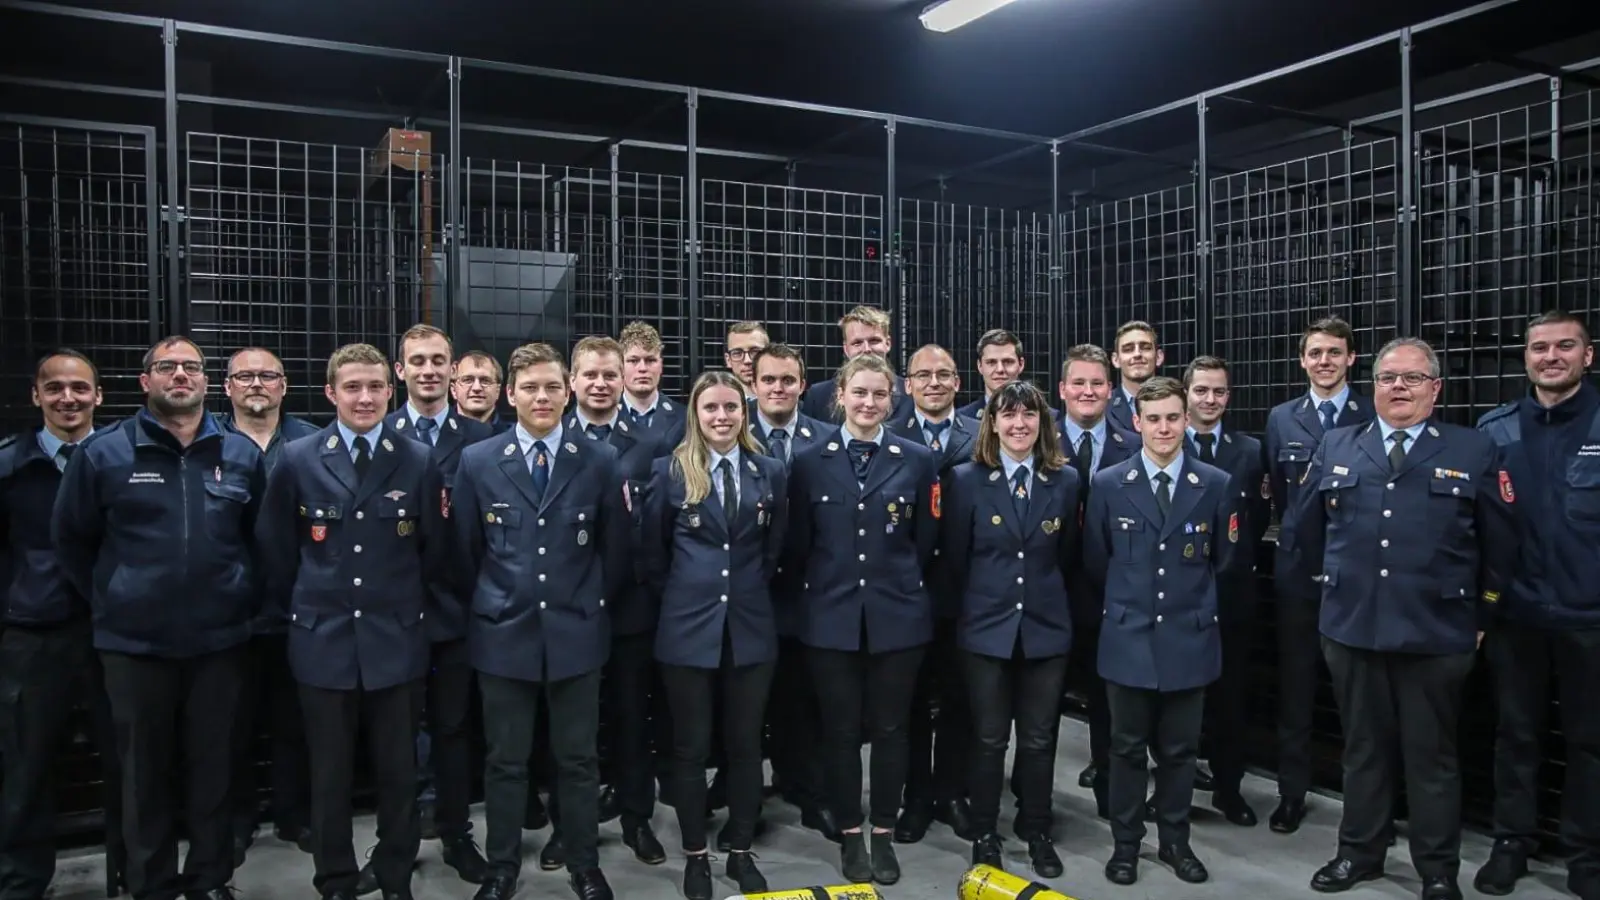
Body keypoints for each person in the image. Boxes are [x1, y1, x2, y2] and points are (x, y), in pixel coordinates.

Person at [1285, 337, 1517, 900]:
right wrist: (1331, 595)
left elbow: (1502, 542)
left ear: (1435, 389)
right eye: (1388, 377)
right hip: (1353, 627)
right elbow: (1305, 531)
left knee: (1431, 758)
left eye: (1413, 378)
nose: (1398, 388)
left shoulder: (1472, 449)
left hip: (1436, 632)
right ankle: (1358, 853)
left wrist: (1482, 613)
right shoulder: (1340, 443)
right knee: (1363, 750)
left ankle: (1437, 870)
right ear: (1374, 386)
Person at [53, 336, 265, 900]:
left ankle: (210, 881)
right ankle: (152, 886)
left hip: (220, 646)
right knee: (143, 777)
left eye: (191, 367)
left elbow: (259, 542)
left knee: (214, 773)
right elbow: (71, 541)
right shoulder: (104, 453)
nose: (180, 375)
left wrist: (238, 598)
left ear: (206, 381)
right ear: (145, 381)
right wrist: (117, 598)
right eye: (167, 367)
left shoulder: (240, 454)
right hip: (134, 650)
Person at [255, 341, 448, 900]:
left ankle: (394, 875)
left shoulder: (417, 459)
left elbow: (435, 552)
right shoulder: (298, 458)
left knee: (399, 774)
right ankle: (336, 879)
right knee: (329, 774)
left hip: (396, 640)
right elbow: (276, 551)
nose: (365, 398)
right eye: (352, 387)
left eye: (375, 387)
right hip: (324, 642)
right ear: (330, 393)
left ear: (390, 390)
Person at [451, 342, 630, 900]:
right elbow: (464, 553)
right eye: (530, 388)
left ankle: (583, 865)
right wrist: (500, 601)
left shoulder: (599, 459)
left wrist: (584, 604)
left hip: (577, 634)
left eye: (553, 386)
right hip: (504, 634)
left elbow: (615, 553)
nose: (542, 397)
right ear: (511, 394)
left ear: (568, 390)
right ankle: (502, 868)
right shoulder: (479, 461)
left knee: (578, 760)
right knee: (505, 762)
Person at [784, 353, 940, 885]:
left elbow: (925, 542)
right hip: (831, 616)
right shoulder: (808, 461)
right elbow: (799, 545)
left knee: (892, 729)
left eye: (879, 394)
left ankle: (884, 831)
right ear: (841, 396)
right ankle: (851, 831)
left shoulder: (917, 460)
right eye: (860, 392)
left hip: (898, 616)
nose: (869, 402)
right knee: (841, 730)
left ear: (892, 400)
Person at [640, 370, 788, 900]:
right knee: (690, 747)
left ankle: (741, 849)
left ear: (743, 413)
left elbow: (775, 550)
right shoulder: (669, 471)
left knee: (746, 745)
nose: (721, 417)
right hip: (687, 631)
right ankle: (696, 855)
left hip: (750, 628)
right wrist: (692, 595)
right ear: (695, 415)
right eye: (711, 408)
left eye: (731, 407)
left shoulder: (770, 471)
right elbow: (653, 556)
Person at [1084, 376, 1237, 887]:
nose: (1164, 428)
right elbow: (1097, 561)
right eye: (1153, 419)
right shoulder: (1109, 484)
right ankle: (1125, 845)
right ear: (1137, 422)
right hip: (1128, 639)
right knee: (1126, 750)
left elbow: (1225, 562)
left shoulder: (1215, 483)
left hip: (1189, 640)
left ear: (1186, 419)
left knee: (1180, 752)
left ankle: (1175, 842)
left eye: (1173, 417)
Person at [1475, 311, 1600, 900]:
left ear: (1587, 356)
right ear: (1526, 358)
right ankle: (1511, 842)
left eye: (1565, 346)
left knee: (1590, 743)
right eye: (1540, 348)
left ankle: (1587, 855)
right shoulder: (1495, 429)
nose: (1551, 357)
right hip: (1516, 616)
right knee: (1516, 736)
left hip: (1590, 619)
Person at [940, 381, 1080, 878]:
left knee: (1039, 740)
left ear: (1043, 424)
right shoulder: (965, 479)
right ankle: (985, 833)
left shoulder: (1066, 481)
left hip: (1046, 629)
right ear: (993, 423)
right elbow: (955, 558)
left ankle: (1037, 828)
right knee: (989, 738)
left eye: (1029, 415)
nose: (1019, 424)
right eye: (1009, 415)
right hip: (985, 629)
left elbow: (1068, 557)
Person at [0, 350, 124, 900]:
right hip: (34, 635)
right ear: (36, 396)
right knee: (25, 768)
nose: (68, 398)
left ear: (98, 395)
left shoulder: (121, 460)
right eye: (54, 388)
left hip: (110, 633)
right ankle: (22, 881)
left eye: (79, 388)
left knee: (127, 764)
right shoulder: (9, 465)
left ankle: (132, 873)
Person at [383, 323, 492, 886]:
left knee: (452, 729)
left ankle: (455, 833)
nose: (428, 370)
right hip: (392, 611)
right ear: (400, 370)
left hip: (456, 608)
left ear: (452, 370)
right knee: (396, 735)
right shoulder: (379, 433)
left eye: (438, 360)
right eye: (417, 360)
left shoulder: (480, 440)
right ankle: (395, 847)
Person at [1261, 316, 1375, 834]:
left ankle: (1367, 804)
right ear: (1302, 360)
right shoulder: (1282, 418)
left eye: (1334, 352)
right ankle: (1291, 793)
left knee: (1361, 699)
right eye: (1315, 353)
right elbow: (1283, 494)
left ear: (1351, 358)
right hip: (1299, 574)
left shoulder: (1372, 412)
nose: (1324, 361)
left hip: (1359, 575)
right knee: (1296, 690)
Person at [563, 336, 671, 864]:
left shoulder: (648, 443)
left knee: (632, 721)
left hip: (631, 606)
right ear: (573, 381)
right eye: (591, 374)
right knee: (572, 730)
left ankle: (636, 819)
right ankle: (571, 826)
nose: (601, 384)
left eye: (610, 374)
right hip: (566, 609)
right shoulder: (552, 438)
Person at [218, 346, 319, 863]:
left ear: (284, 385)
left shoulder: (311, 443)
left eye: (267, 376)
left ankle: (294, 814)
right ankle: (237, 821)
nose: (256, 384)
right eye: (245, 376)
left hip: (297, 606)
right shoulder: (209, 443)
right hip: (229, 612)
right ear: (227, 387)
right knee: (230, 726)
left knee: (294, 722)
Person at [892, 343, 979, 843]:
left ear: (957, 382)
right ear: (907, 384)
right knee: (910, 700)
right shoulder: (891, 435)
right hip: (908, 589)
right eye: (922, 375)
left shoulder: (981, 435)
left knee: (959, 698)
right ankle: (916, 797)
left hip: (967, 591)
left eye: (943, 374)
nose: (933, 383)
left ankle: (951, 792)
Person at [746, 344, 833, 842]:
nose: (777, 388)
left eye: (787, 380)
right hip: (749, 591)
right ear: (753, 384)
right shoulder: (730, 430)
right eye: (768, 380)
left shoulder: (825, 438)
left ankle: (808, 790)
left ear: (803, 385)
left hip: (808, 591)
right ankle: (740, 791)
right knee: (746, 702)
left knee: (806, 699)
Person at [1182, 355, 1268, 827]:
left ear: (1228, 397)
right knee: (1178, 702)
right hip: (1179, 597)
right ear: (1186, 394)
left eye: (1218, 391)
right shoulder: (1166, 442)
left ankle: (1228, 790)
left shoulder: (1251, 452)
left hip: (1232, 597)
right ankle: (1175, 792)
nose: (1210, 399)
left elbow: (1254, 522)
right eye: (1201, 390)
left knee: (1231, 700)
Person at [1057, 344, 1136, 813]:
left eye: (1097, 383)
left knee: (1109, 703)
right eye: (1079, 383)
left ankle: (1112, 798)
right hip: (1051, 593)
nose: (1088, 391)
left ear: (1111, 389)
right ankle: (1035, 805)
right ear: (1062, 389)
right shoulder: (1036, 438)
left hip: (1111, 594)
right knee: (1042, 710)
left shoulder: (1133, 442)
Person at [800, 306, 915, 424]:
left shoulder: (912, 393)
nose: (866, 349)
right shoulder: (818, 397)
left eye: (874, 341)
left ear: (888, 343)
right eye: (857, 343)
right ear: (846, 349)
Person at [618, 321, 685, 435]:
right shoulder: (604, 416)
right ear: (621, 366)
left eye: (650, 360)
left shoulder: (683, 418)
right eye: (633, 361)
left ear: (661, 365)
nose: (643, 368)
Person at [1105, 321, 1164, 436]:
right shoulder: (1103, 407)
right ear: (1116, 360)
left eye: (1145, 348)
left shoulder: (1178, 403)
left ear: (1158, 357)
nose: (1137, 354)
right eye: (1128, 349)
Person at [956, 330, 1027, 419]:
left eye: (1008, 362)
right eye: (991, 362)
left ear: (1021, 364)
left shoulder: (1043, 417)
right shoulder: (960, 420)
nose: (1000, 369)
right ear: (980, 366)